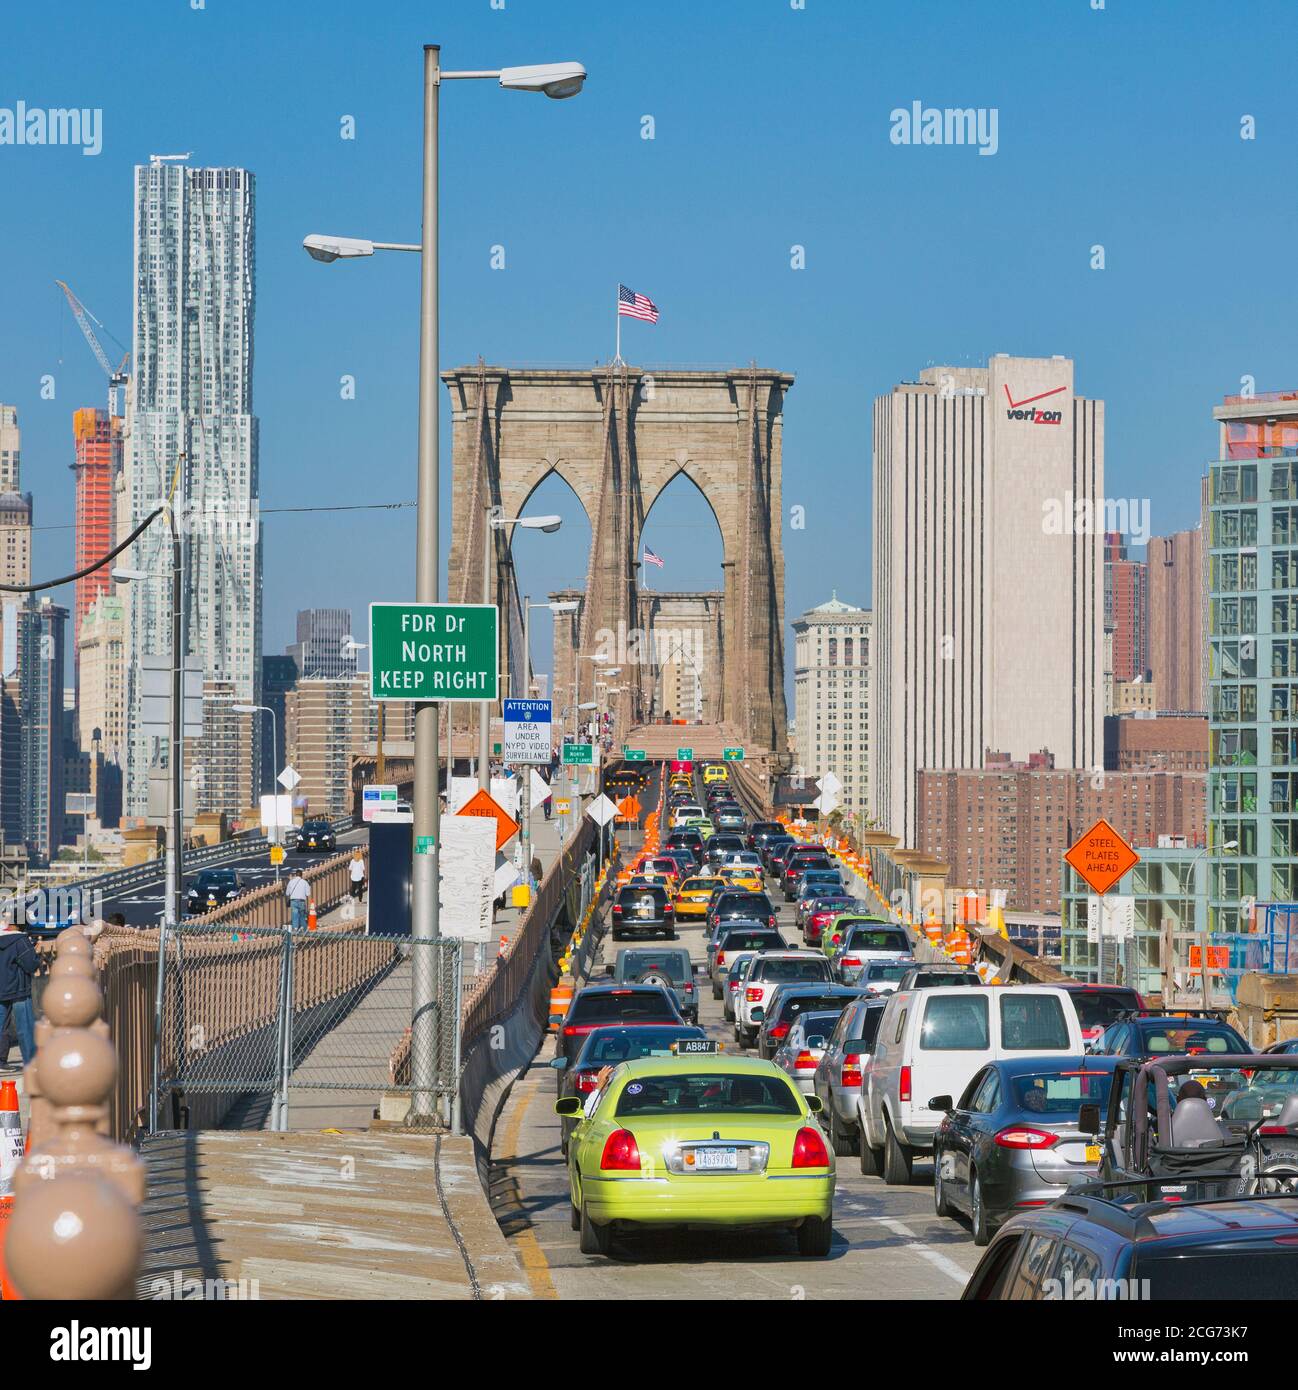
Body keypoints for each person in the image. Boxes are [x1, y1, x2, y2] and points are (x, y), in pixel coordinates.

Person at [0, 919, 39, 1065]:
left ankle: (1, 1061)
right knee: (25, 1027)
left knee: (0, 1026)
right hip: (19, 989)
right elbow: (31, 964)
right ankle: (31, 1061)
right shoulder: (20, 941)